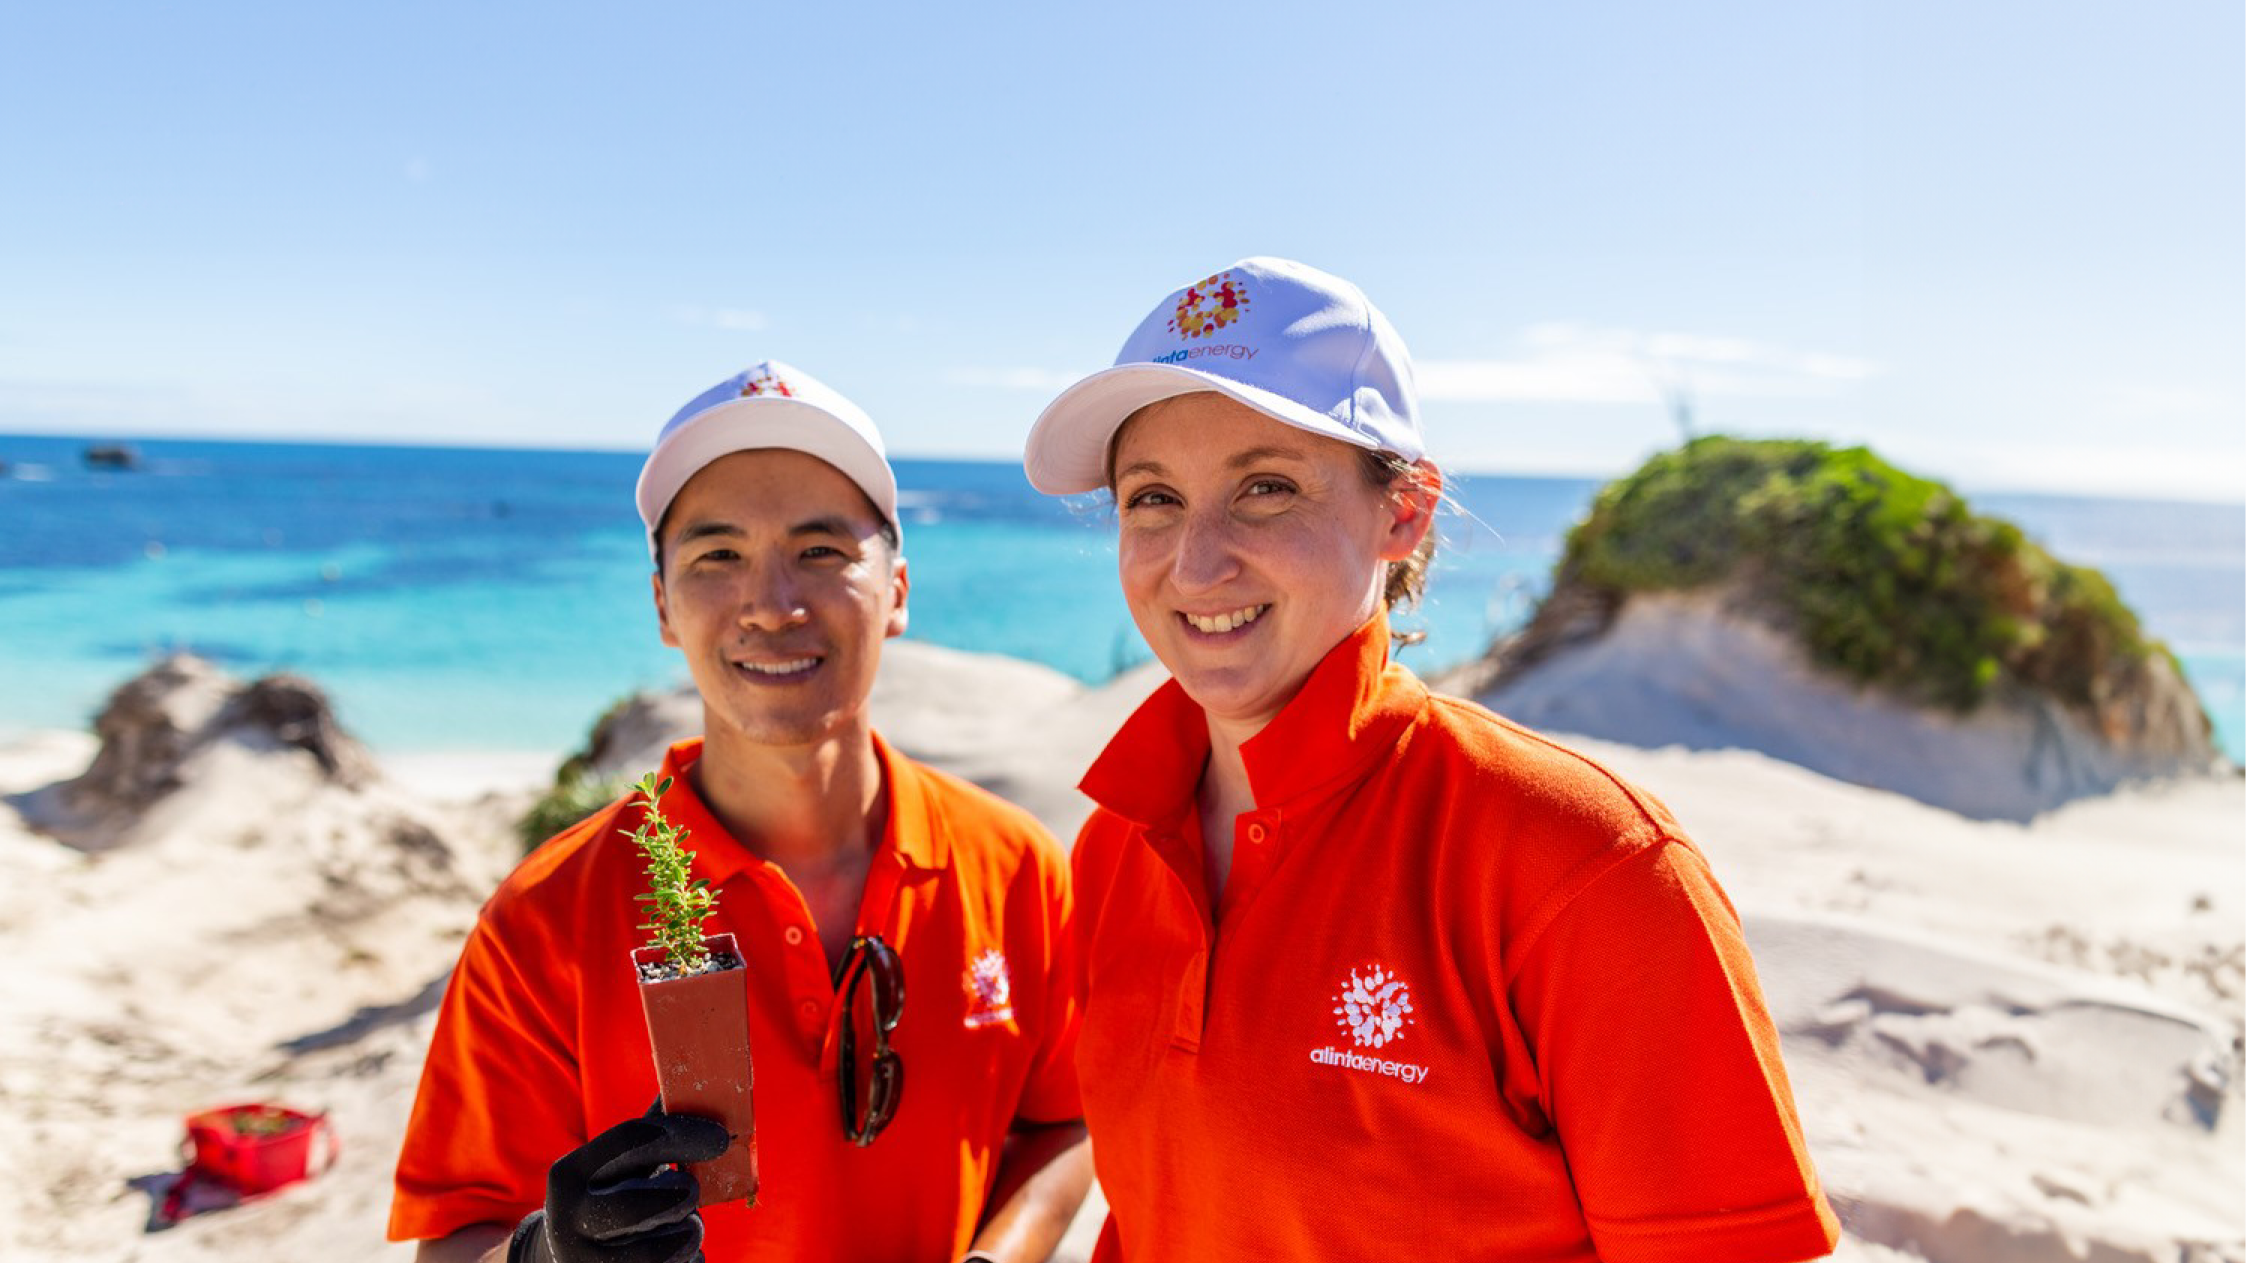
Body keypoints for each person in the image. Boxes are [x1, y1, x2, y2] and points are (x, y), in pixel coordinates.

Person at [1021, 258, 1842, 1262]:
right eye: (1152, 498)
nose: (1194, 563)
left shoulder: (1583, 857)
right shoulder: (1112, 849)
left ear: (1401, 512)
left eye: (1265, 488)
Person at [393, 361, 1092, 1263]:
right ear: (663, 606)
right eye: (718, 555)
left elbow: (1066, 1120)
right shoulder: (545, 916)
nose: (772, 604)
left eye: (820, 550)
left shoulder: (1016, 866)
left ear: (900, 591)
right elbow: (455, 1236)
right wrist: (545, 1255)